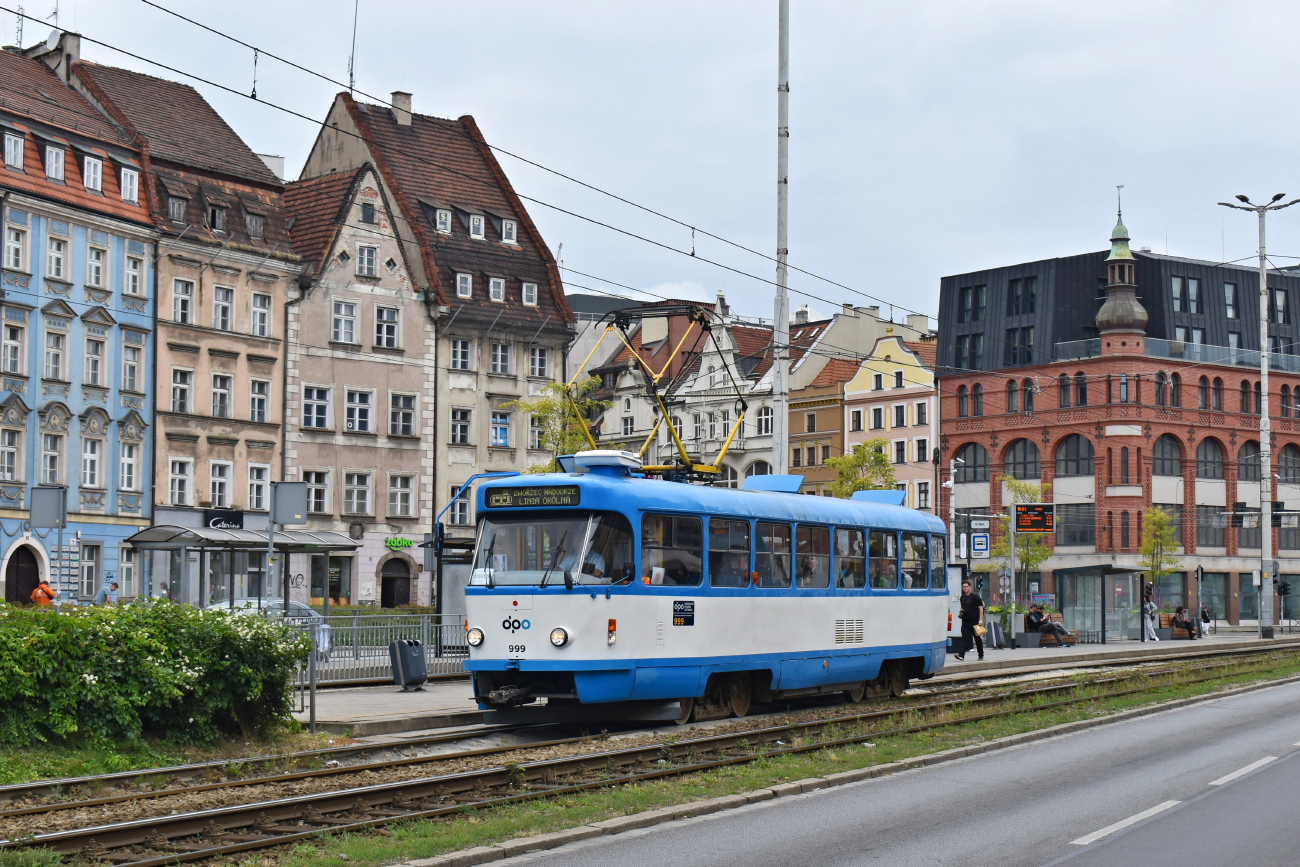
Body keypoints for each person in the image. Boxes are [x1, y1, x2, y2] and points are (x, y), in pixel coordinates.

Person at [955, 579, 984, 661]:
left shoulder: (975, 597)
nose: (964, 588)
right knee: (964, 638)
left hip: (975, 621)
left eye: (966, 587)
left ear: (970, 587)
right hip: (966, 621)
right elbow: (963, 606)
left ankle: (981, 655)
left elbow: (981, 608)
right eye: (963, 587)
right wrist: (961, 611)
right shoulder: (962, 597)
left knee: (977, 638)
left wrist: (980, 620)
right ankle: (961, 655)